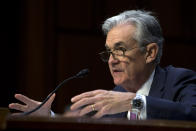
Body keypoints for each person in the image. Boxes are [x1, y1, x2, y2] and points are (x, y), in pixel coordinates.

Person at [9, 10, 196, 120]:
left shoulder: (178, 81)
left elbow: (192, 114)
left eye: (120, 49)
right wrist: (50, 118)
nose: (112, 60)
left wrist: (135, 102)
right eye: (109, 52)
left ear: (149, 53)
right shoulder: (117, 94)